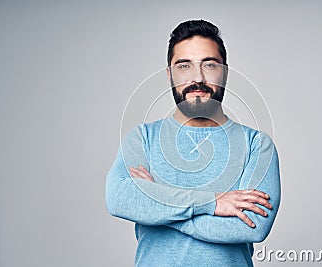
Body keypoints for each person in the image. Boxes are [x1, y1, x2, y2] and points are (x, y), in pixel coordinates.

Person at [106, 19, 281, 267]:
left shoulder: (257, 145)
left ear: (225, 72)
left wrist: (157, 205)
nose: (197, 77)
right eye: (184, 66)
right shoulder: (142, 138)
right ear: (169, 74)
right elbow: (119, 199)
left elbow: (252, 228)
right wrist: (212, 203)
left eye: (209, 65)